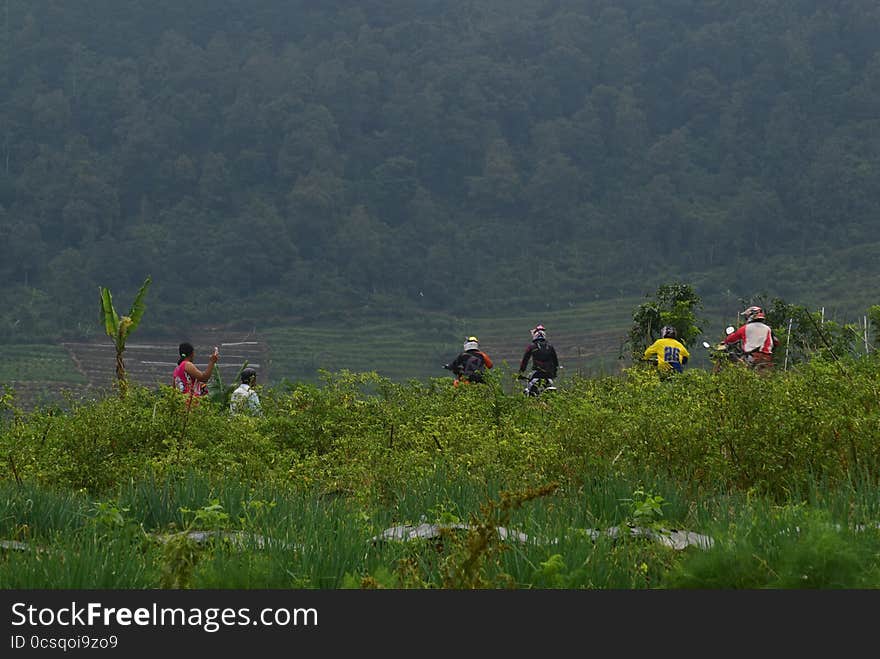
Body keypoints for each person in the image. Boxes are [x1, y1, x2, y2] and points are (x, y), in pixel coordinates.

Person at [723, 305, 779, 371]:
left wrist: (726, 340)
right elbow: (776, 342)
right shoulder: (768, 328)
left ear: (750, 316)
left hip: (752, 357)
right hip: (767, 358)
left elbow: (731, 339)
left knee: (738, 366)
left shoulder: (745, 328)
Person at [518, 324, 560, 395]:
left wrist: (521, 372)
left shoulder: (532, 347)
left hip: (536, 373)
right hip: (549, 374)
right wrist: (554, 372)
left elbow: (525, 361)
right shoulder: (550, 347)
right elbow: (556, 362)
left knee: (528, 389)